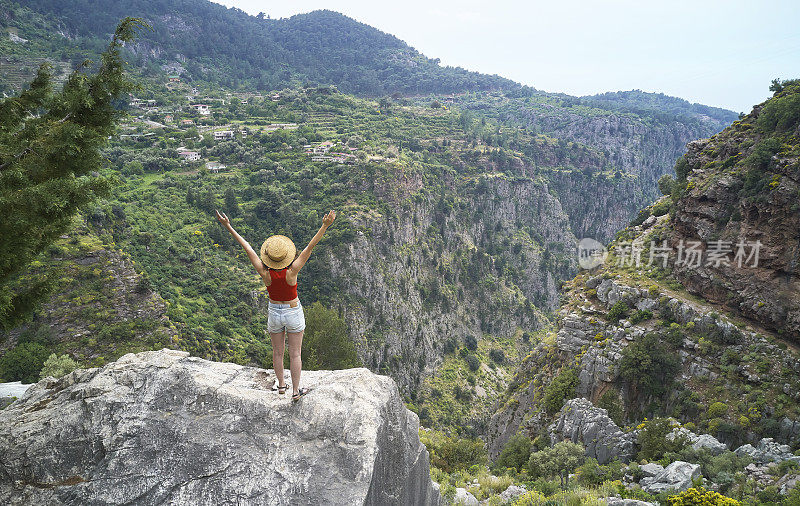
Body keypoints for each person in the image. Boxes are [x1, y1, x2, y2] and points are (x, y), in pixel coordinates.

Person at [216, 208, 336, 401]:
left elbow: (247, 248)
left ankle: (281, 386)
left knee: (277, 352)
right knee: (295, 354)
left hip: (274, 312)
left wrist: (228, 226)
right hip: (292, 310)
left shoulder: (265, 273)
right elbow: (309, 247)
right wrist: (325, 225)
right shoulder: (292, 272)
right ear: (286, 256)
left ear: (268, 256)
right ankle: (296, 391)